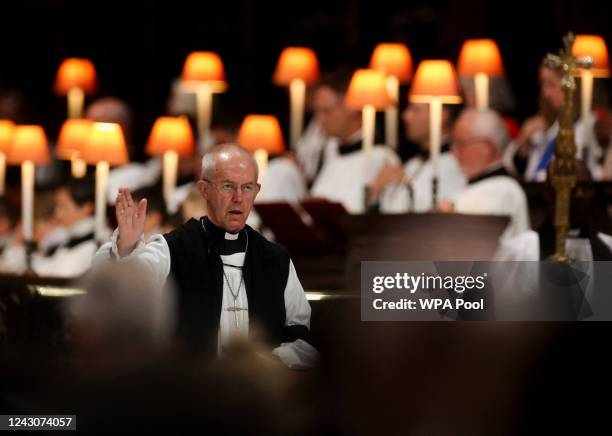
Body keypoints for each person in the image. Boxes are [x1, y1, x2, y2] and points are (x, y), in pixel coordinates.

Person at [93, 144, 317, 368]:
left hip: (257, 396)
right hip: (192, 394)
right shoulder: (173, 249)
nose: (238, 198)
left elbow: (302, 335)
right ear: (204, 189)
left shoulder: (275, 259)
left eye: (247, 187)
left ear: (257, 191)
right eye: (228, 186)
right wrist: (126, 246)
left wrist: (271, 362)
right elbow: (122, 296)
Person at [310, 69, 399, 213]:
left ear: (352, 108)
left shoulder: (382, 157)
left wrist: (373, 197)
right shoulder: (330, 150)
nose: (319, 120)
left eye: (326, 111)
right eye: (317, 111)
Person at [504, 64, 601, 181]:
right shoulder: (550, 126)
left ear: (571, 85)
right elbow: (510, 167)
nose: (545, 94)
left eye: (551, 84)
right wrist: (522, 141)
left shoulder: (592, 124)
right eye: (543, 84)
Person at [445, 109, 530, 240]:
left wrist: (447, 216)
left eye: (460, 144)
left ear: (487, 148)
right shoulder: (472, 184)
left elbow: (480, 240)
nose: (453, 152)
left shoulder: (506, 189)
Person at [373, 102, 466, 212]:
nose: (405, 116)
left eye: (415, 110)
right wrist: (377, 191)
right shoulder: (413, 163)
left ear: (441, 115)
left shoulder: (455, 163)